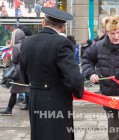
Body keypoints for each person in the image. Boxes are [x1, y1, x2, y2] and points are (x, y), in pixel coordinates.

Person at [19, 7, 84, 140]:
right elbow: (74, 78)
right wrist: (79, 92)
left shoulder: (27, 42)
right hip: (56, 100)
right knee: (58, 134)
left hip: (35, 98)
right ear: (63, 27)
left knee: (39, 134)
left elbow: (24, 74)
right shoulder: (62, 42)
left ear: (43, 23)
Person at [0, 29, 30, 115]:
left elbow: (15, 60)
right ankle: (29, 106)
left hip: (18, 73)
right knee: (27, 89)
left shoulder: (16, 46)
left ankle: (9, 109)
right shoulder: (26, 44)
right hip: (27, 71)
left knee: (13, 91)